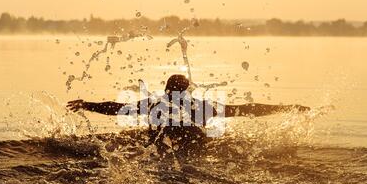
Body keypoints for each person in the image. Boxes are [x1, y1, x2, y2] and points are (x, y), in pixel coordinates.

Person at [67, 74, 310, 153]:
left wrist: (87, 104)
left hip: (159, 146)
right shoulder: (202, 106)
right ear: (188, 91)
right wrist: (286, 108)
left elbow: (117, 108)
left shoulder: (153, 104)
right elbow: (247, 110)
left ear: (165, 90)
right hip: (196, 145)